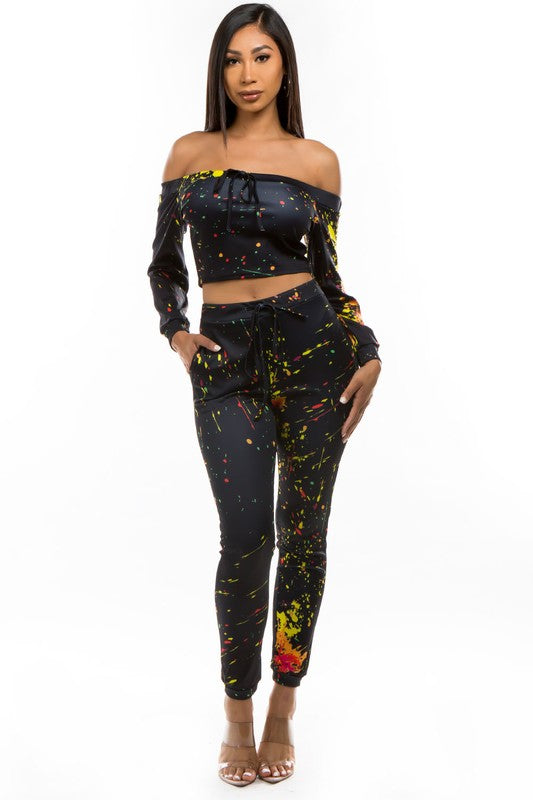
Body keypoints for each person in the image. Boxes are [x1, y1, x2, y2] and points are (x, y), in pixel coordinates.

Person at [147, 3, 382, 786]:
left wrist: (366, 349)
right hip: (226, 362)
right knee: (245, 535)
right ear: (218, 70)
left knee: (303, 536)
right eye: (232, 59)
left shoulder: (317, 162)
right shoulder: (189, 154)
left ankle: (283, 705)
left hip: (314, 353)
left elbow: (329, 277)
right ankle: (236, 711)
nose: (246, 74)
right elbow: (163, 265)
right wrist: (177, 332)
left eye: (261, 57)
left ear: (284, 67)